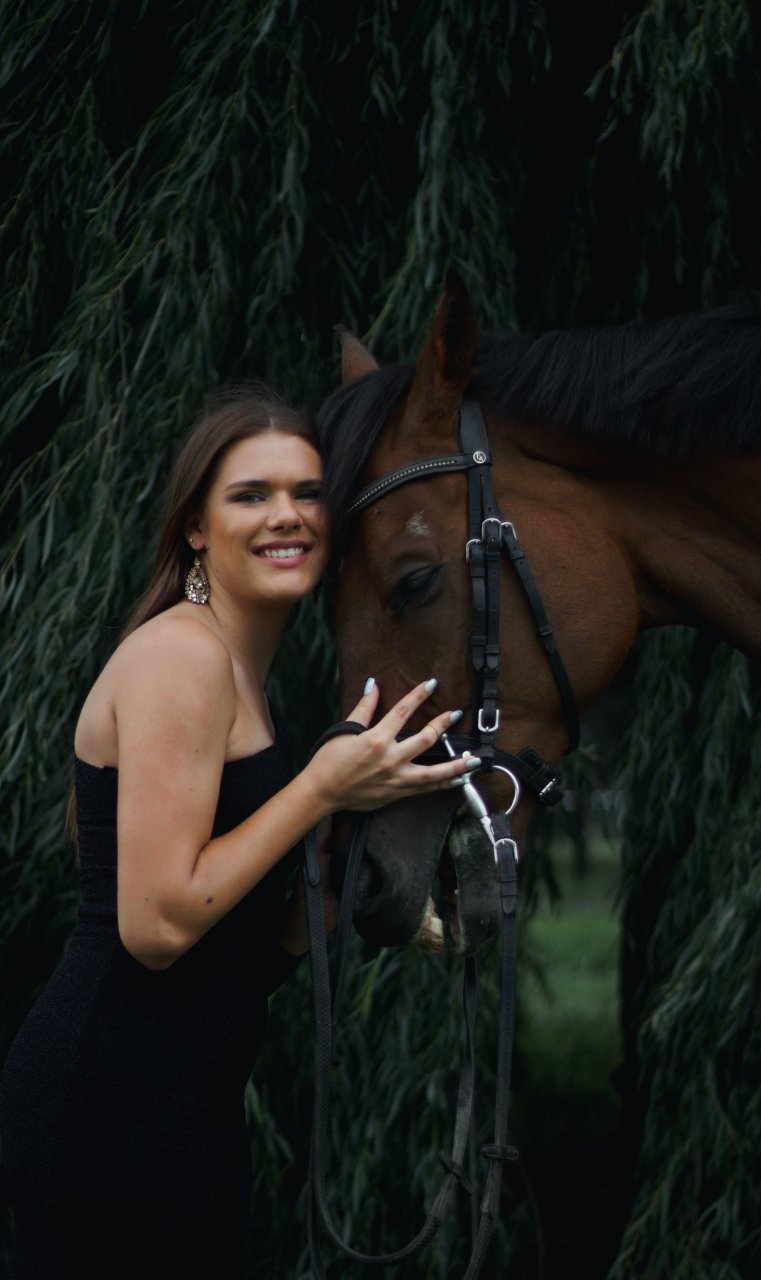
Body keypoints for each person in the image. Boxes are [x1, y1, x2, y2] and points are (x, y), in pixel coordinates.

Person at [0, 385, 478, 1279]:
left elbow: (233, 960)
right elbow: (156, 926)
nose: (285, 514)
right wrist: (320, 788)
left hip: (184, 1105)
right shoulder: (183, 657)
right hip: (110, 1102)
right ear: (195, 527)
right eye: (250, 495)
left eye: (307, 493)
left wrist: (330, 895)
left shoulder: (239, 673)